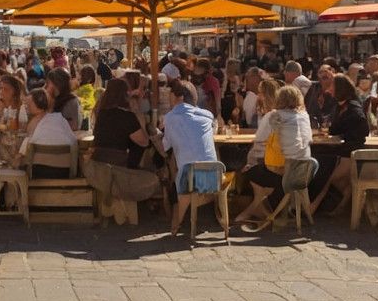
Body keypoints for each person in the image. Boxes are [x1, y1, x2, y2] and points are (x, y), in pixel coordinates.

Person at [233, 85, 312, 224]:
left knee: (249, 170)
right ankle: (261, 207)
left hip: (283, 172)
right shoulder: (304, 116)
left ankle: (260, 208)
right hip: (303, 172)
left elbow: (259, 138)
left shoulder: (274, 115)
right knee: (258, 168)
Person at [160, 80, 219, 234]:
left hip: (188, 180)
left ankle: (176, 223)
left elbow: (165, 146)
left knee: (180, 170)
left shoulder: (170, 118)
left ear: (178, 97)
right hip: (213, 178)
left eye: (171, 96)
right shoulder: (207, 115)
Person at [309, 75, 369, 215]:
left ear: (340, 89)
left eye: (332, 87)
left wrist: (344, 135)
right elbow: (336, 129)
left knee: (324, 173)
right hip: (344, 152)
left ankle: (312, 207)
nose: (329, 90)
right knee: (322, 162)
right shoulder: (340, 106)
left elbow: (362, 127)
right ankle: (346, 206)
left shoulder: (353, 107)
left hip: (351, 154)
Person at [92, 78, 151, 169]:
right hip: (118, 165)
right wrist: (138, 114)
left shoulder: (101, 113)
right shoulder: (126, 116)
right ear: (125, 95)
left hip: (98, 162)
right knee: (138, 145)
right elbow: (144, 142)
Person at [18, 88, 78, 177]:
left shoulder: (33, 123)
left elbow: (26, 149)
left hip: (39, 172)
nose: (26, 107)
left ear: (34, 104)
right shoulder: (59, 118)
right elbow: (73, 141)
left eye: (28, 104)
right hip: (65, 172)